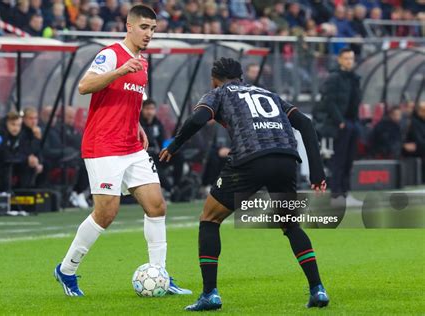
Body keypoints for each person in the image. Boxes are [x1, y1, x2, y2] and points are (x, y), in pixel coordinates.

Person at [160, 58, 329, 311]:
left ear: (215, 78)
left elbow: (198, 119)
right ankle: (318, 290)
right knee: (290, 224)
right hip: (286, 159)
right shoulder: (269, 94)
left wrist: (173, 146)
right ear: (241, 77)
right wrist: (317, 172)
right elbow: (305, 123)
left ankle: (210, 294)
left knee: (209, 219)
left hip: (250, 159)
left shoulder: (218, 93)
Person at [54, 4, 191, 297]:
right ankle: (66, 270)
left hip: (131, 145)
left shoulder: (142, 62)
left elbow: (129, 100)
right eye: (144, 27)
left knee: (157, 206)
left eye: (153, 29)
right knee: (106, 213)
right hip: (103, 145)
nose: (149, 34)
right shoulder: (111, 54)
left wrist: (138, 124)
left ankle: (160, 275)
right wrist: (118, 71)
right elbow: (84, 86)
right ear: (129, 27)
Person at [313, 47, 361, 199]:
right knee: (338, 161)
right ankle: (336, 194)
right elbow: (329, 101)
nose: (349, 61)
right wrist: (340, 121)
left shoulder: (354, 78)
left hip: (352, 123)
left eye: (351, 59)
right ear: (340, 59)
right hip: (339, 124)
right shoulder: (333, 78)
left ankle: (346, 193)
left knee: (349, 160)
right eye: (346, 58)